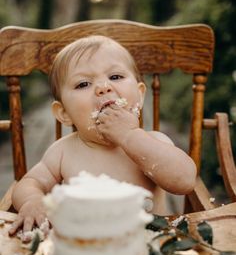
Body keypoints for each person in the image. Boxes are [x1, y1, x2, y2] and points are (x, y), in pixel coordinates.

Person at [9, 35, 197, 240]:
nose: (103, 87)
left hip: (149, 248)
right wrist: (32, 201)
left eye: (115, 77)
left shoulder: (153, 143)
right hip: (84, 249)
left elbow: (185, 181)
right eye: (83, 84)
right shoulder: (63, 152)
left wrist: (129, 136)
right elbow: (30, 182)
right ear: (64, 113)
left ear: (140, 95)